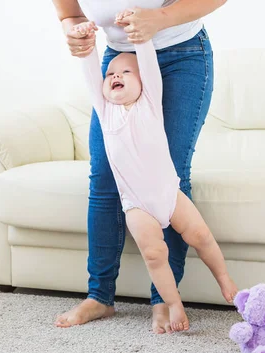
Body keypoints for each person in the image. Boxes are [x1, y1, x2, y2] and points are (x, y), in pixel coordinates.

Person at [53, 0, 229, 333]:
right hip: (119, 59)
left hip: (182, 55)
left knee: (168, 177)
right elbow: (70, 14)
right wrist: (75, 35)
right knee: (105, 178)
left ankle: (165, 300)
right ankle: (99, 297)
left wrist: (160, 18)